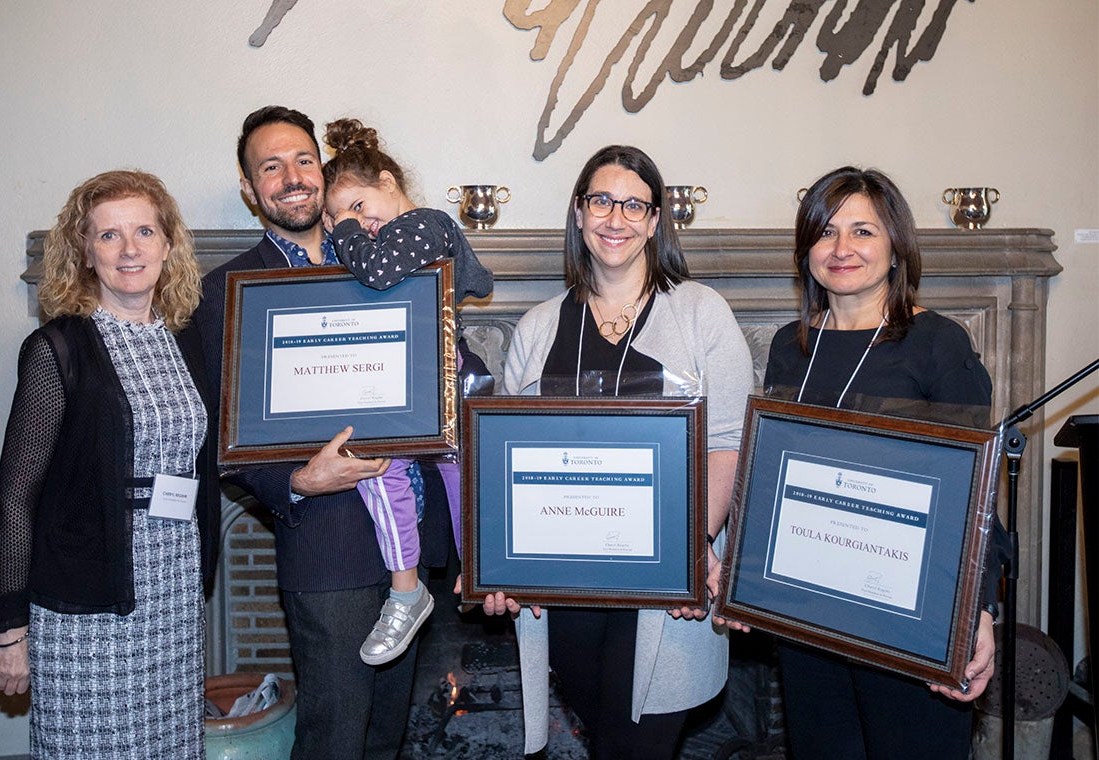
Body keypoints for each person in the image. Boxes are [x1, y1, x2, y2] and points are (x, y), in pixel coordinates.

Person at [190, 106, 456, 760]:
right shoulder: (227, 292)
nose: (292, 177)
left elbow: (443, 363)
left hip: (414, 543)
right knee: (334, 740)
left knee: (386, 740)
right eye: (270, 167)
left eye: (303, 160)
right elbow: (222, 436)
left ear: (322, 168)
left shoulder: (383, 256)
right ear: (250, 188)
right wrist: (300, 481)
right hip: (327, 550)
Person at [493, 145, 754, 759]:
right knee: (608, 738)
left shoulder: (701, 314)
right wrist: (499, 565)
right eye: (602, 201)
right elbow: (504, 459)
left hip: (665, 592)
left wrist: (691, 546)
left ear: (656, 220)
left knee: (640, 746)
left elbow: (727, 444)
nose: (616, 218)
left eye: (635, 205)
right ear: (579, 213)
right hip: (565, 591)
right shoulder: (537, 326)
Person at [762, 165, 1007, 759]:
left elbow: (976, 494)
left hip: (913, 619)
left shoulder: (937, 343)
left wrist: (978, 609)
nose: (841, 248)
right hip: (810, 616)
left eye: (863, 231)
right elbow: (771, 481)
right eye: (826, 232)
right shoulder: (788, 347)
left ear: (896, 246)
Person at [0, 170, 219, 759]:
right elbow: (16, 496)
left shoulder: (186, 339)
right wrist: (11, 626)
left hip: (175, 590)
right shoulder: (58, 348)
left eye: (144, 231)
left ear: (168, 244)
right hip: (89, 598)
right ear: (85, 252)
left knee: (169, 745)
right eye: (109, 235)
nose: (129, 249)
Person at [320, 117, 494, 666]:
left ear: (389, 183)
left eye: (360, 206)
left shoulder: (426, 224)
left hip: (435, 374)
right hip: (392, 379)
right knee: (380, 472)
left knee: (459, 472)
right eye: (340, 217)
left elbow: (377, 271)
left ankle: (479, 568)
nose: (357, 224)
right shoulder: (378, 243)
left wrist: (344, 229)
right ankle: (410, 588)